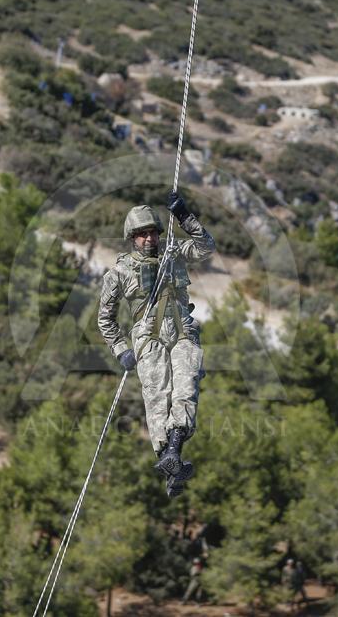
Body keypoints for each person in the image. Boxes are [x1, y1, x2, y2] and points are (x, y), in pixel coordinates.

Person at [97, 193, 215, 498]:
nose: (148, 239)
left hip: (182, 328)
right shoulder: (119, 274)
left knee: (186, 387)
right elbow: (105, 319)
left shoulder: (174, 255)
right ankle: (166, 458)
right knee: (157, 394)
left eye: (152, 232)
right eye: (141, 234)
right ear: (131, 239)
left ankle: (174, 449)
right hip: (147, 335)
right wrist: (121, 349)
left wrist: (186, 217)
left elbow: (206, 246)